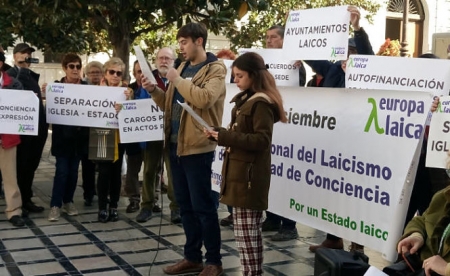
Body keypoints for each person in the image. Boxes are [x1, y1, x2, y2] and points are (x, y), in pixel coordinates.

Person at [141, 22, 225, 276]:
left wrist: (176, 79)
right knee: (185, 206)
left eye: (184, 42)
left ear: (199, 41)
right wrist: (154, 90)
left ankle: (213, 261)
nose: (181, 47)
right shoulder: (182, 66)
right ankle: (192, 257)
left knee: (204, 207)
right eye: (179, 43)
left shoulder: (215, 69)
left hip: (199, 148)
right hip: (176, 146)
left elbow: (203, 99)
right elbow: (171, 104)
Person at [205, 51, 287, 276]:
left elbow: (262, 140)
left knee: (247, 235)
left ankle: (252, 273)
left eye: (239, 76)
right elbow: (241, 133)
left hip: (248, 178)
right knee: (247, 235)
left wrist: (224, 137)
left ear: (253, 75)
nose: (235, 80)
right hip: (241, 175)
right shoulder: (249, 99)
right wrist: (219, 133)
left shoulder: (260, 102)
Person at [306, 5, 374, 254]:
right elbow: (313, 58)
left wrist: (357, 28)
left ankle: (358, 243)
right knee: (332, 190)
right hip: (333, 139)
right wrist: (298, 35)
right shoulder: (334, 68)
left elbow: (369, 53)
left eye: (354, 51)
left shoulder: (369, 71)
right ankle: (333, 238)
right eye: (346, 51)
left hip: (358, 141)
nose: (349, 55)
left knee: (354, 192)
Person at [262, 25, 302, 241]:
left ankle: (289, 225)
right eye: (267, 38)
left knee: (287, 177)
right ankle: (272, 218)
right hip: (269, 127)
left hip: (289, 127)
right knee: (270, 175)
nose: (269, 41)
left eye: (274, 37)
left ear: (284, 40)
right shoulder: (264, 64)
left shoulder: (296, 65)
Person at [132, 47, 181, 223]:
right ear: (155, 60)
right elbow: (138, 103)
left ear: (174, 61)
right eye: (160, 58)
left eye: (168, 58)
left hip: (173, 133)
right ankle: (146, 206)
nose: (163, 61)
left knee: (173, 172)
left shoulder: (179, 79)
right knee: (149, 170)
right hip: (151, 133)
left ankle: (176, 208)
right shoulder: (147, 79)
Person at [7, 43, 48, 215]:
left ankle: (27, 198)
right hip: (21, 132)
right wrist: (22, 69)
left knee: (30, 167)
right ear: (15, 56)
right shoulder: (10, 75)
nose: (27, 56)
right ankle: (18, 203)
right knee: (20, 167)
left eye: (29, 54)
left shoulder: (31, 76)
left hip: (36, 131)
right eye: (23, 53)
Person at [48, 54, 89, 221]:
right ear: (64, 68)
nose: (75, 70)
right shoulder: (56, 88)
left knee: (73, 173)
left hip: (79, 140)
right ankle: (55, 205)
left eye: (78, 66)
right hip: (62, 140)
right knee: (62, 172)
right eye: (71, 66)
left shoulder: (87, 88)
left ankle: (68, 201)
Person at [96, 57, 126, 223]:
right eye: (112, 72)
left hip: (120, 138)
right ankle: (102, 207)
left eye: (118, 73)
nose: (115, 75)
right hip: (102, 135)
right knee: (104, 172)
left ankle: (113, 206)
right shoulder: (96, 90)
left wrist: (127, 103)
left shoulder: (127, 91)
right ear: (105, 74)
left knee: (116, 173)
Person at [396, 185, 450, 276]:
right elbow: (422, 220)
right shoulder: (443, 195)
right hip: (421, 268)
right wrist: (416, 235)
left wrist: (446, 269)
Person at [0, 68, 25, 227]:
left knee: (10, 176)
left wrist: (30, 101)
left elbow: (22, 106)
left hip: (7, 137)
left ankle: (14, 210)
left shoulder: (14, 84)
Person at [80, 61, 103, 206]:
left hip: (102, 132)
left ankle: (101, 192)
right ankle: (88, 193)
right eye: (92, 72)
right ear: (87, 75)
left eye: (98, 72)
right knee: (87, 166)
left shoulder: (107, 88)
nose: (95, 75)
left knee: (102, 166)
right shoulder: (82, 89)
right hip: (86, 133)